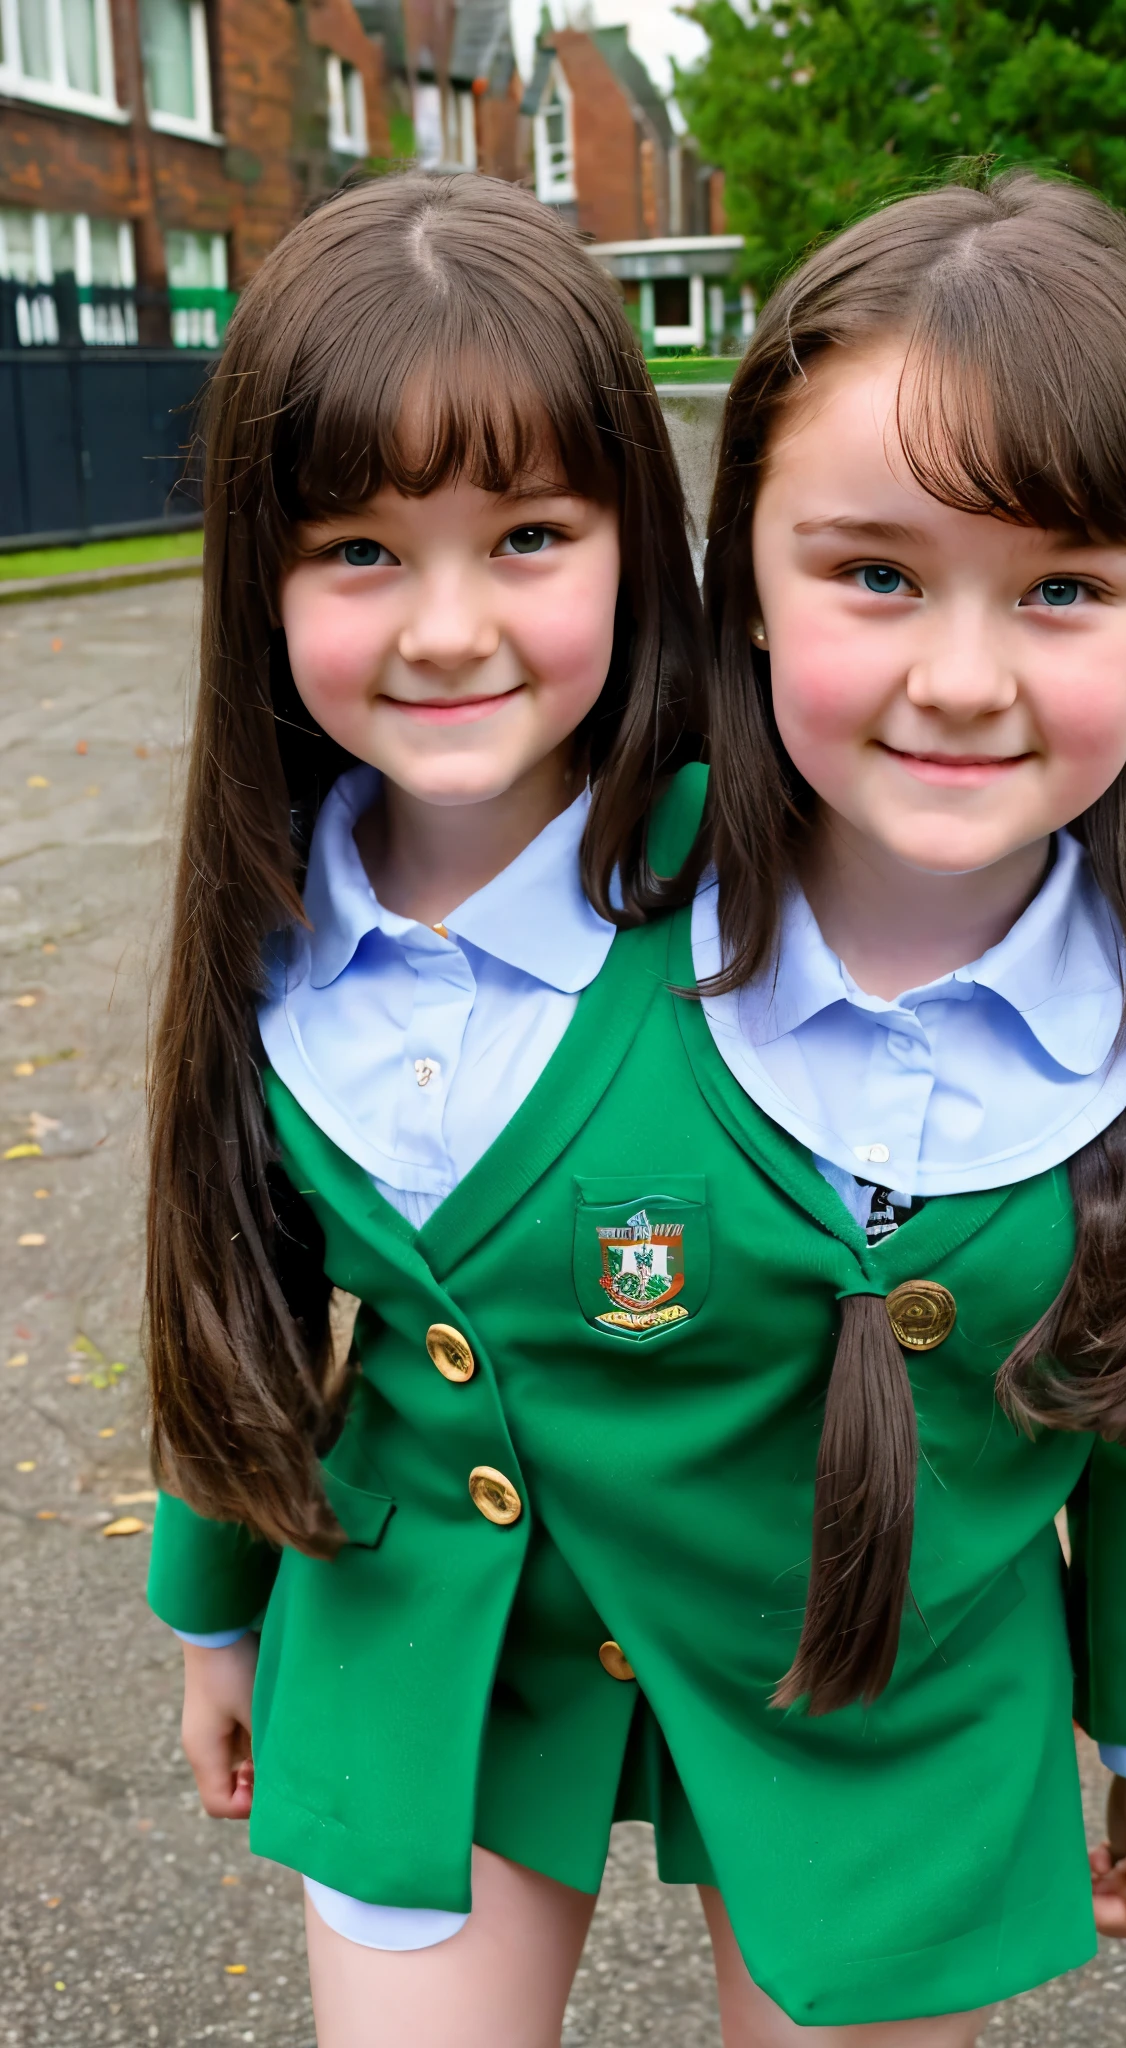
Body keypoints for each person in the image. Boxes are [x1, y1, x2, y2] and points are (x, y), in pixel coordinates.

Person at [678, 168, 1126, 2039]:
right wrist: (227, 1604)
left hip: (923, 1706)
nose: (962, 678)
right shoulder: (592, 921)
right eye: (875, 572)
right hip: (536, 1651)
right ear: (749, 587)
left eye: (1064, 589)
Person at [141, 170, 707, 2043]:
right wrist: (212, 1619)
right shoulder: (264, 910)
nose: (450, 628)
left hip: (788, 1621)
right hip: (404, 1633)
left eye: (530, 532)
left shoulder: (784, 882)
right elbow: (237, 1288)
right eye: (360, 550)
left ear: (639, 537)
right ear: (261, 576)